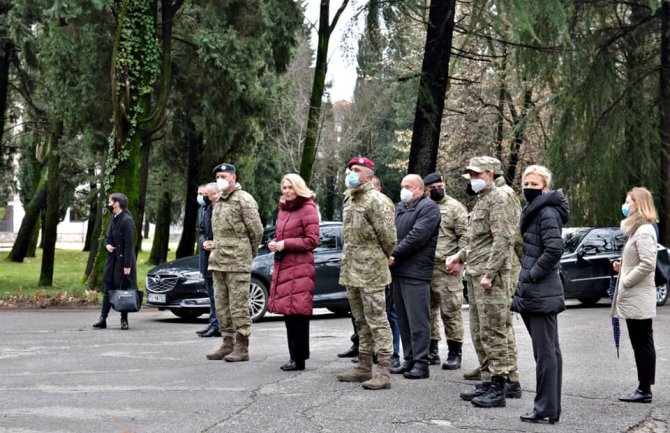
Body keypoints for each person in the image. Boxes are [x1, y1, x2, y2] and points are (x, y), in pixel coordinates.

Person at [446, 156, 519, 408]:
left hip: (491, 277)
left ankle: (500, 386)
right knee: (479, 331)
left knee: (493, 331)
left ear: (490, 174)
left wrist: (489, 274)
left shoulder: (499, 198)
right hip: (476, 274)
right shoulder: (483, 200)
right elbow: (477, 241)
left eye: (477, 174)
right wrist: (458, 256)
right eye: (471, 175)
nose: (473, 179)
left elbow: (502, 241)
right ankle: (489, 380)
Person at [511, 165, 569, 424]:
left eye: (535, 185)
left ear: (545, 187)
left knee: (545, 353)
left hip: (541, 290)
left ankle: (545, 407)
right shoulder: (535, 210)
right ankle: (550, 407)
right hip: (534, 290)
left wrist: (532, 274)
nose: (529, 188)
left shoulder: (545, 211)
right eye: (527, 183)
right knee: (548, 352)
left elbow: (555, 249)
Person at [336, 156, 397, 390]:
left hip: (371, 271)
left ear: (369, 175)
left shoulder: (377, 201)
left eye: (357, 169)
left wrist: (384, 257)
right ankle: (363, 366)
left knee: (377, 320)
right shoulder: (350, 200)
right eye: (350, 169)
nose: (351, 172)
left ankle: (383, 371)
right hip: (352, 270)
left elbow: (389, 238)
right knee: (360, 320)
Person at [206, 163, 263, 362]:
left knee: (238, 306)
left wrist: (249, 252)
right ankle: (227, 342)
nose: (220, 179)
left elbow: (256, 231)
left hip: (238, 261)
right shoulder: (219, 200)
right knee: (221, 305)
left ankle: (242, 346)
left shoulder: (244, 199)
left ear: (233, 178)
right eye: (217, 176)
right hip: (218, 260)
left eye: (223, 175)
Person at [388, 174, 441, 380]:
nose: (404, 190)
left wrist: (394, 254)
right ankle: (409, 358)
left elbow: (417, 237)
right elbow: (392, 233)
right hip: (398, 270)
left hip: (416, 271)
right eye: (402, 186)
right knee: (403, 319)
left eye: (408, 186)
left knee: (418, 319)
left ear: (419, 189)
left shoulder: (428, 208)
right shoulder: (401, 207)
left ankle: (421, 362)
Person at [267, 174, 320, 371]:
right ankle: (294, 356)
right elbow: (281, 235)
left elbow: (312, 240)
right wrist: (272, 243)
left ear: (298, 187)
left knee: (298, 314)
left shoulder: (308, 208)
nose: (287, 191)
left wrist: (284, 244)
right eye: (284, 187)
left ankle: (298, 359)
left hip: (300, 267)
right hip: (285, 265)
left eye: (290, 187)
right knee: (289, 314)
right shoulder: (284, 209)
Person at [611, 187, 659, 403]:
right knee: (639, 342)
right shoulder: (636, 230)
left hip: (638, 296)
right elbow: (638, 260)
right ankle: (643, 387)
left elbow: (649, 264)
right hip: (634, 296)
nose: (625, 204)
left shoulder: (644, 231)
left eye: (628, 201)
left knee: (642, 342)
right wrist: (623, 266)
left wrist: (627, 280)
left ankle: (644, 390)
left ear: (638, 204)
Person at [423, 172, 468, 370]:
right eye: (432, 188)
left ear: (445, 184)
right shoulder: (423, 207)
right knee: (428, 311)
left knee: (450, 310)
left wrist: (460, 259)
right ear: (426, 190)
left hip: (447, 266)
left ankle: (454, 352)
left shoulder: (455, 208)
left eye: (439, 186)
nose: (436, 190)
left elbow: (466, 237)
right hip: (425, 266)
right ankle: (432, 350)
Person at [93, 192, 137, 330]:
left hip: (123, 262)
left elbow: (128, 245)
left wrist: (127, 266)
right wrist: (107, 245)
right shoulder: (113, 217)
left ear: (117, 203)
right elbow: (107, 236)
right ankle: (102, 319)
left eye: (110, 201)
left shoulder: (127, 220)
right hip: (112, 261)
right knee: (107, 290)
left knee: (124, 290)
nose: (108, 204)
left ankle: (124, 320)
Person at [196, 183, 221, 338]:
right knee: (211, 294)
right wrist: (203, 241)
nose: (202, 196)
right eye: (200, 193)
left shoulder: (220, 209)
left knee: (216, 295)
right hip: (206, 257)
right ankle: (213, 323)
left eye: (205, 194)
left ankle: (217, 325)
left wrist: (215, 244)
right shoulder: (204, 209)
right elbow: (201, 231)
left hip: (218, 257)